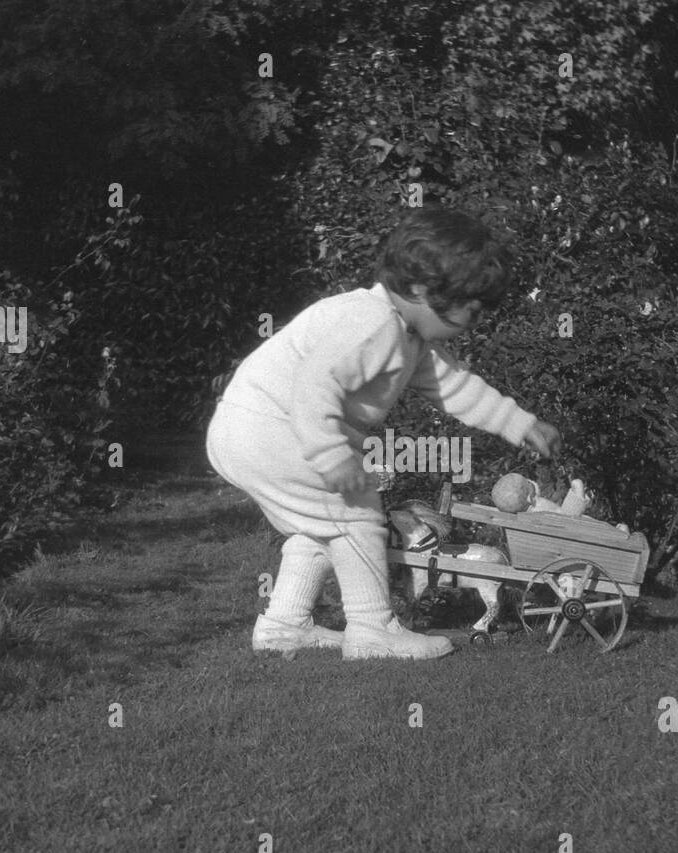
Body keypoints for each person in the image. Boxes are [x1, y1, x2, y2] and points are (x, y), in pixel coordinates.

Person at [206, 207, 561, 659]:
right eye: (469, 310)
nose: (476, 320)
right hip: (270, 428)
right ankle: (373, 629)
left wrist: (520, 423)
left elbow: (456, 387)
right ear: (419, 290)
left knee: (321, 525)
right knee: (356, 516)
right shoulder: (370, 323)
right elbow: (315, 387)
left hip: (255, 431)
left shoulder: (408, 337)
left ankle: (283, 626)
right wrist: (332, 457)